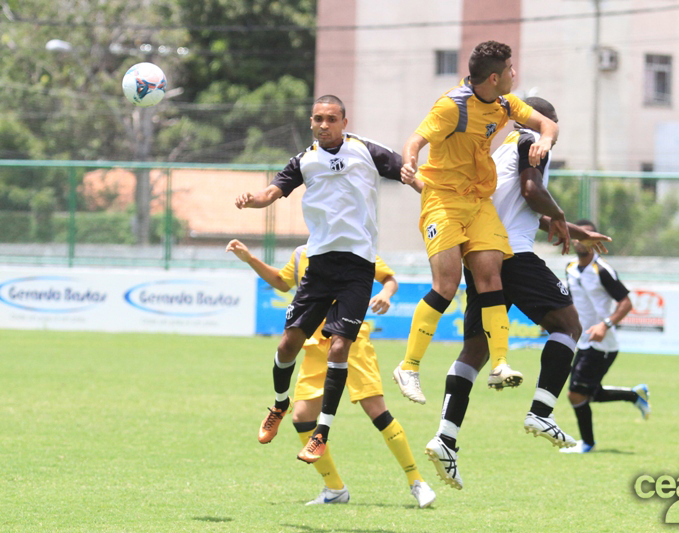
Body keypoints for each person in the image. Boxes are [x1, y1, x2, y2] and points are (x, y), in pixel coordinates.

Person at [424, 97, 611, 489]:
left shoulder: (502, 151)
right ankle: (542, 411)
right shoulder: (532, 142)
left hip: (484, 255)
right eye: (552, 126)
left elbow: (526, 209)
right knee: (568, 325)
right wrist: (562, 216)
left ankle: (445, 437)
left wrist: (576, 232)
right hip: (513, 255)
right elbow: (531, 191)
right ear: (546, 121)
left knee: (473, 352)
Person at [235, 94, 417, 464]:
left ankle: (322, 433)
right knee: (288, 344)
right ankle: (279, 405)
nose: (323, 124)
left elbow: (404, 170)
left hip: (357, 265)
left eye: (330, 118)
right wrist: (254, 199)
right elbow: (274, 191)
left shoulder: (365, 151)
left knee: (338, 347)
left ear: (344, 122)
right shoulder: (305, 161)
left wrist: (426, 186)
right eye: (317, 118)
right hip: (317, 263)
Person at [394, 41, 561, 405]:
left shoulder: (504, 103)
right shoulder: (451, 106)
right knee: (447, 284)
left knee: (491, 276)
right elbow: (416, 139)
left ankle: (499, 363)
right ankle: (408, 366)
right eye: (511, 69)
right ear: (495, 77)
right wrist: (410, 161)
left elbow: (546, 123)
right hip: (443, 201)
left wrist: (544, 141)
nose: (516, 75)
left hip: (477, 201)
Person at [226, 239, 436, 508]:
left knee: (377, 411)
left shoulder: (354, 247)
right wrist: (250, 259)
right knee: (302, 417)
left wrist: (386, 293)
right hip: (315, 345)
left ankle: (417, 481)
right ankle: (335, 489)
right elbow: (281, 281)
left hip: (352, 341)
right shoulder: (302, 253)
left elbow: (389, 278)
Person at [560, 219, 650, 454]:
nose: (582, 240)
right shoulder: (570, 268)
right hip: (583, 341)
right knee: (589, 392)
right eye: (578, 236)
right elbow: (571, 301)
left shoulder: (603, 270)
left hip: (602, 344)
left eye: (588, 236)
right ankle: (634, 395)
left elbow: (626, 302)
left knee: (575, 394)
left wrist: (605, 325)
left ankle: (587, 444)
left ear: (595, 240)